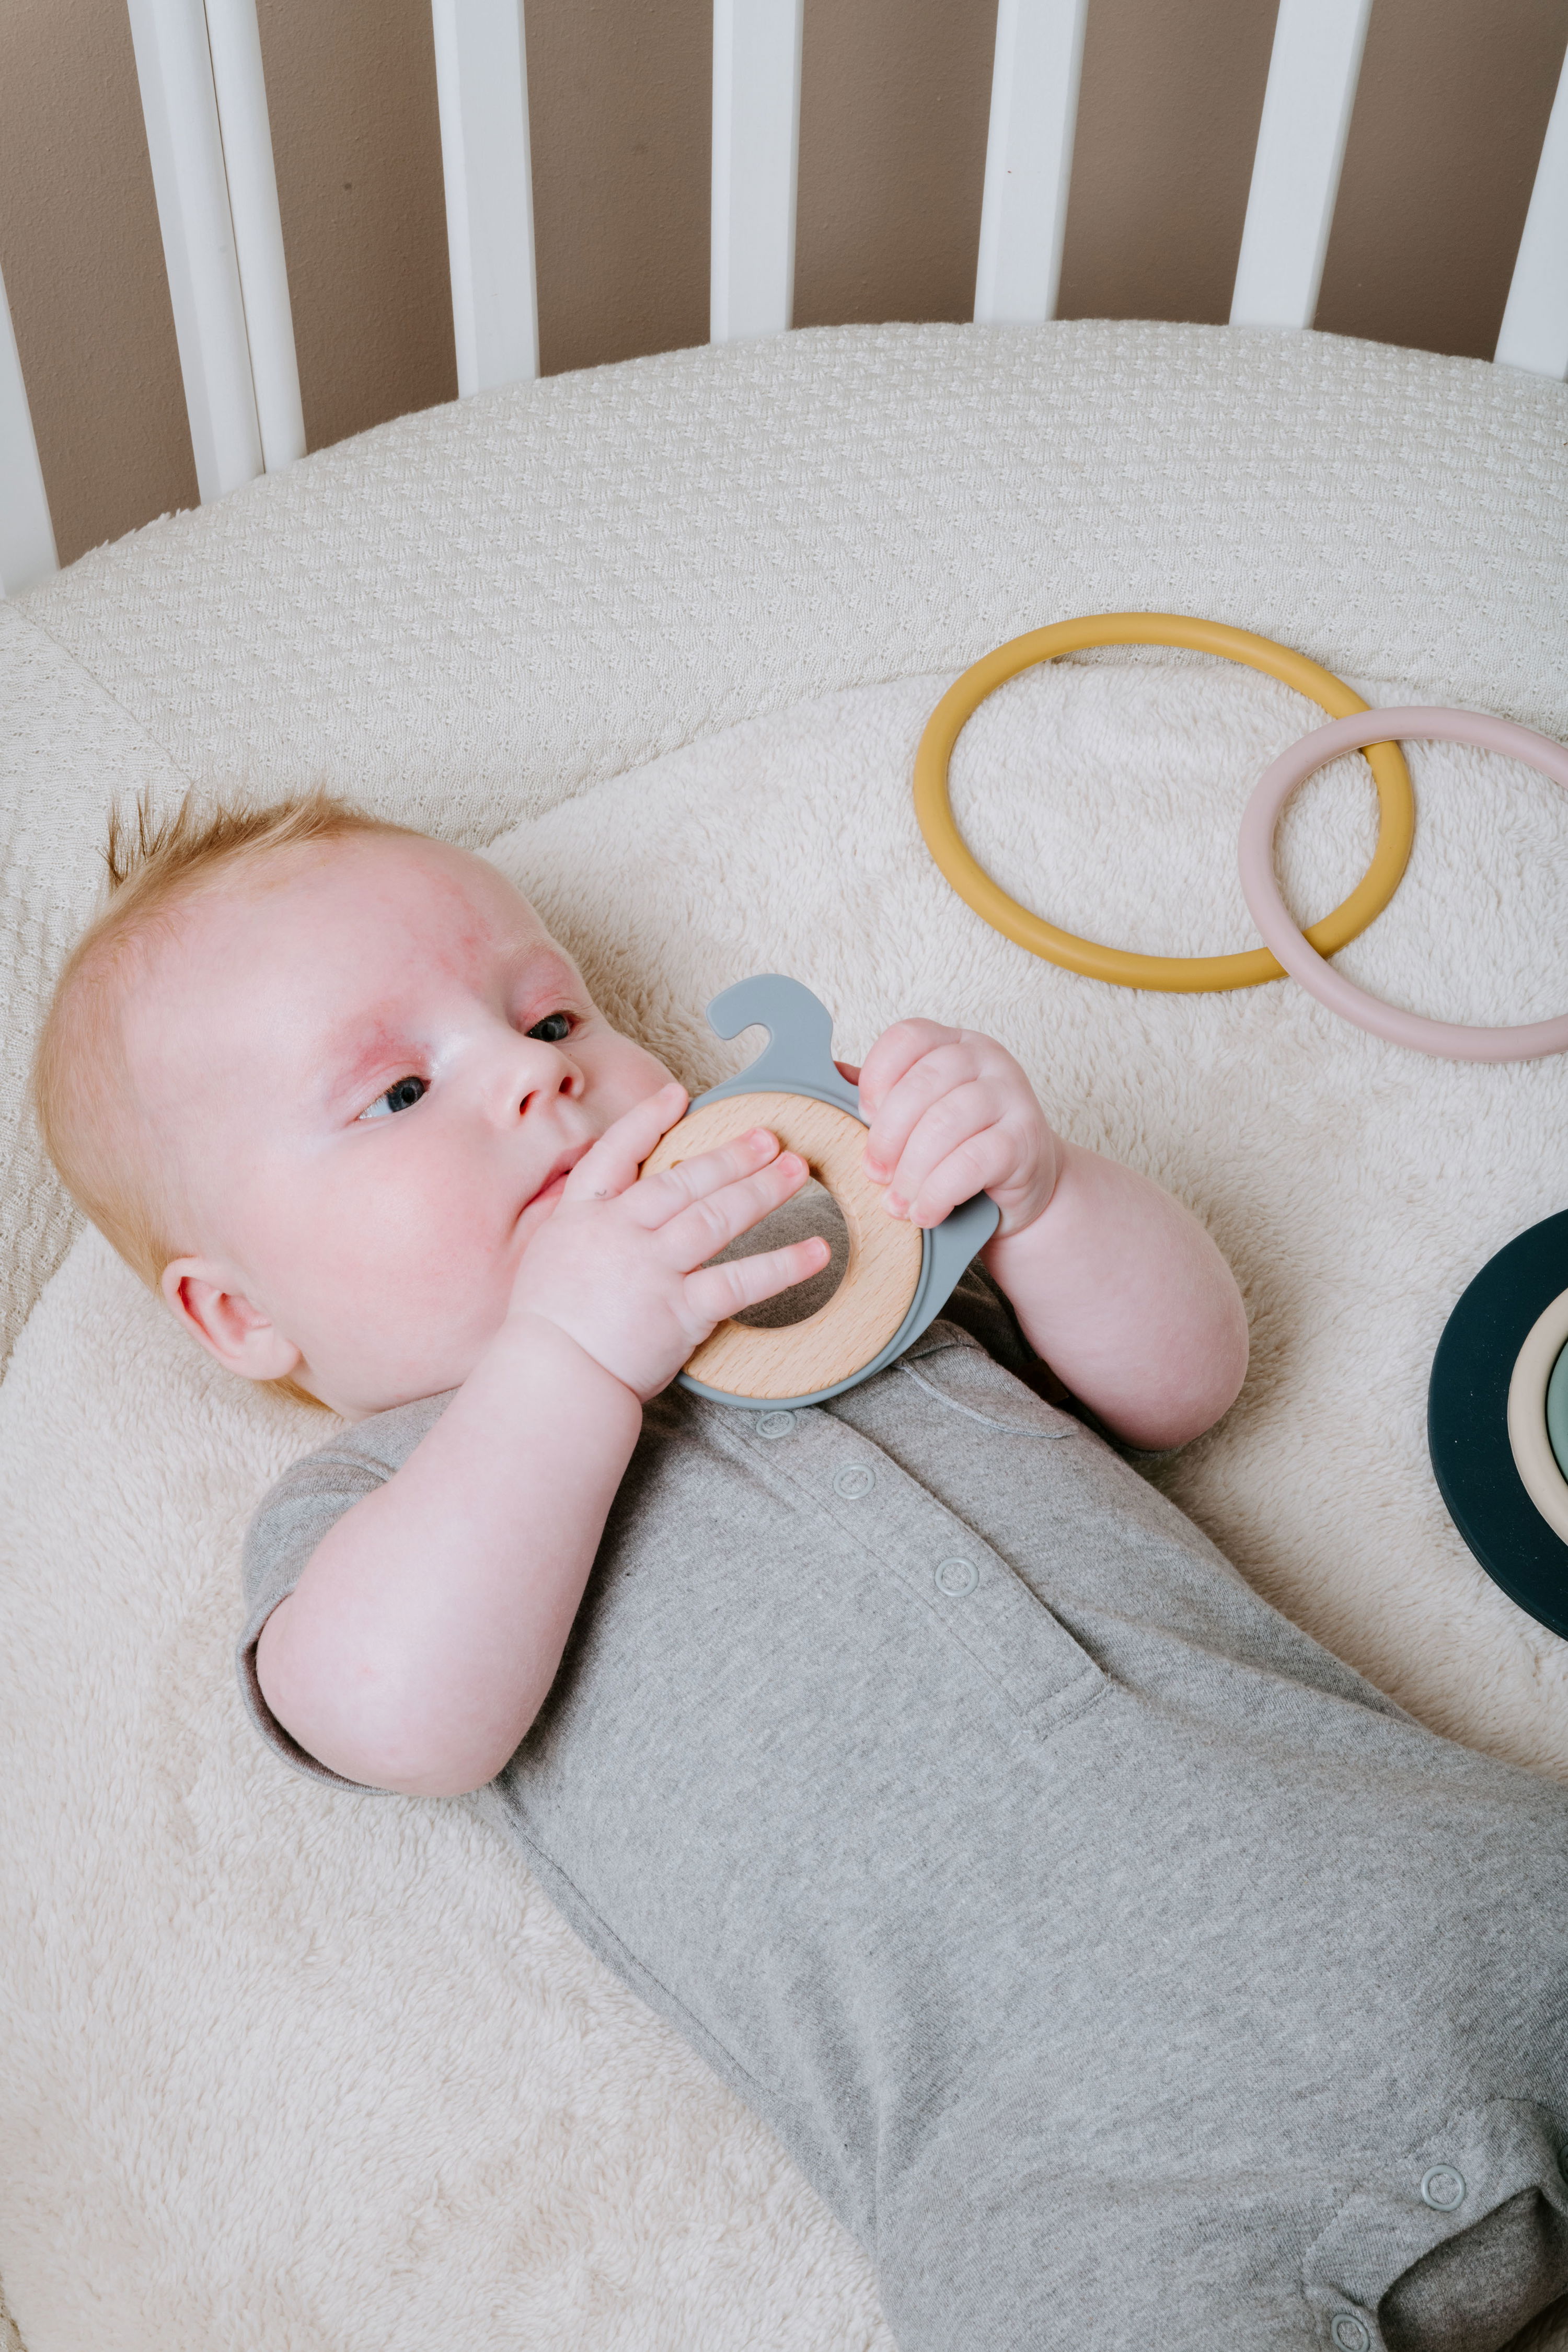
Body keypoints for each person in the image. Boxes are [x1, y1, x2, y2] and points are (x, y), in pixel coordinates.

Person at [33, 793, 1568, 2351]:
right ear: (239, 1316)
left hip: (1424, 1874)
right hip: (1076, 2159)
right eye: (404, 1088)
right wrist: (567, 1352)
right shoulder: (377, 1498)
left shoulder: (827, 1250)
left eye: (553, 1011)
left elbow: (1183, 1379)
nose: (538, 1071)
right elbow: (399, 1711)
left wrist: (1040, 1196)